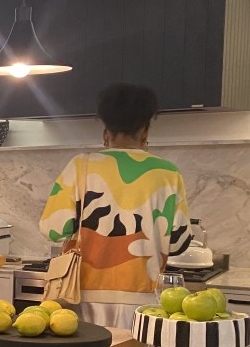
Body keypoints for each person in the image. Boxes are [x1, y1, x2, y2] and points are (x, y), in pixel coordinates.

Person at [39, 83, 191, 328]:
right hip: (145, 299)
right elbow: (178, 243)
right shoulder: (168, 173)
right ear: (145, 131)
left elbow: (53, 230)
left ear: (105, 132)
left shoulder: (80, 166)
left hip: (81, 296)